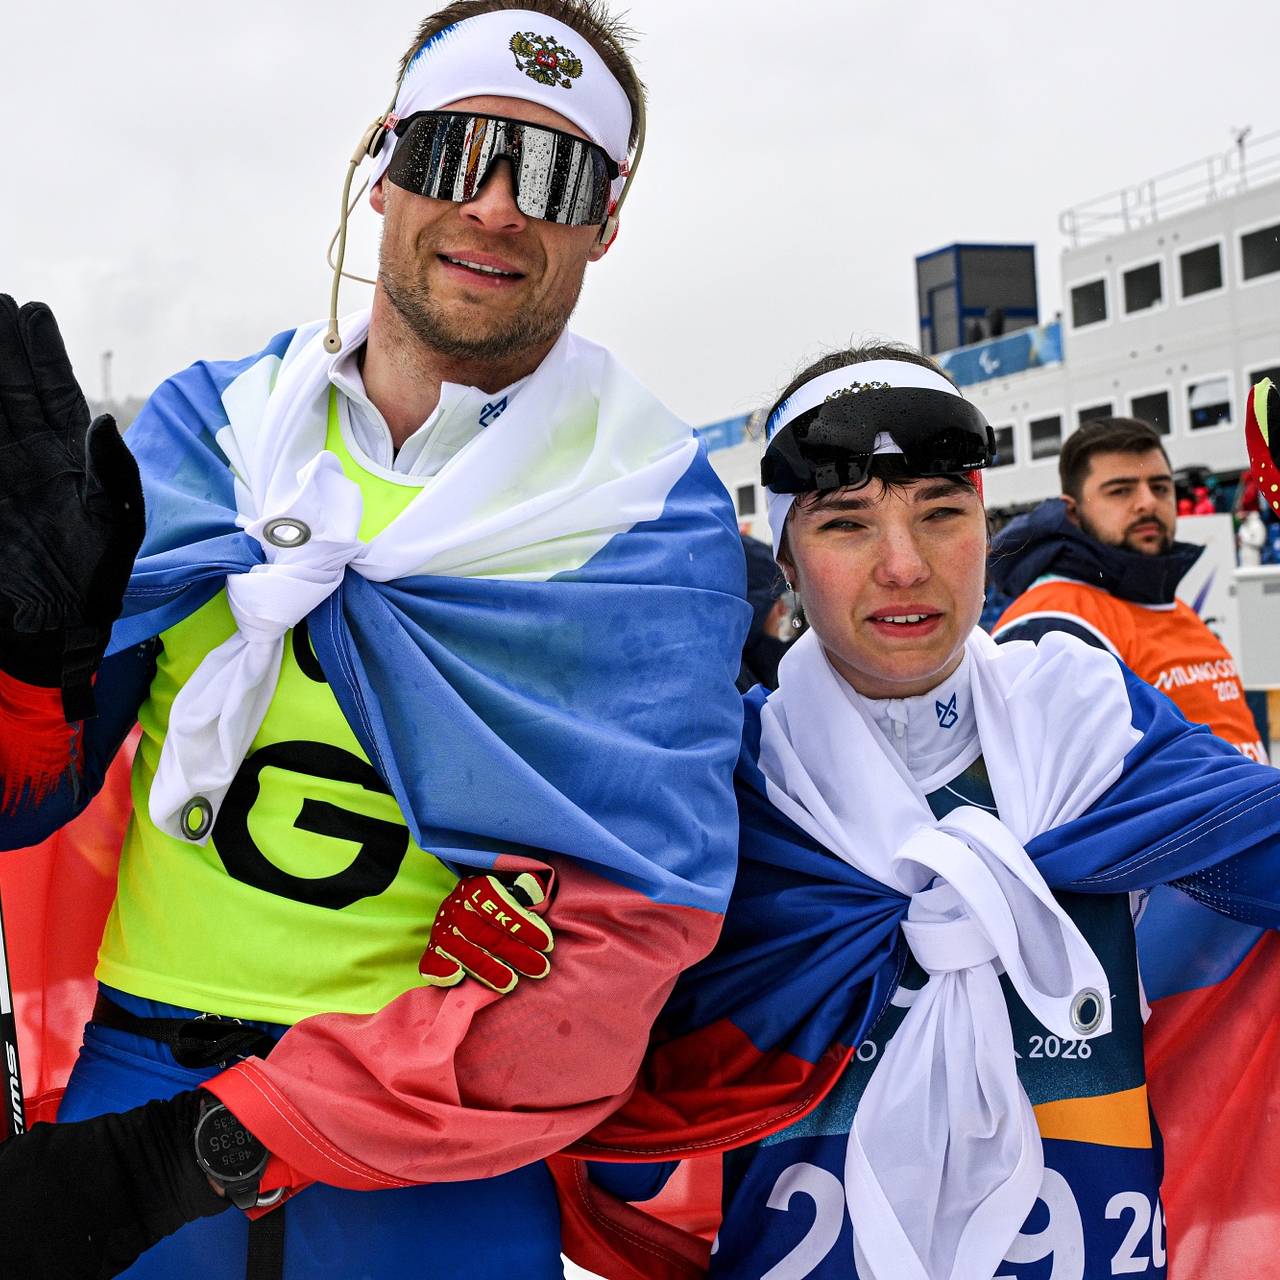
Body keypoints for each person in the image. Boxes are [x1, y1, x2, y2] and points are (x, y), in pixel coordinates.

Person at [0, 3, 749, 1276]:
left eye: (557, 171)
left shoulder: (641, 507)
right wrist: (25, 670)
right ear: (385, 164)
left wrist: (194, 1154)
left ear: (604, 223)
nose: (500, 205)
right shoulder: (212, 430)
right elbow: (30, 804)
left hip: (423, 1148)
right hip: (133, 1067)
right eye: (458, 150)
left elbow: (629, 928)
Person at [554, 348, 1280, 1280]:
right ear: (783, 556)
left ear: (988, 524)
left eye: (941, 514)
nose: (904, 567)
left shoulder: (1097, 730)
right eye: (847, 524)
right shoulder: (722, 794)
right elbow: (606, 1126)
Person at [988, 416, 1267, 762]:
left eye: (1161, 487)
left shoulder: (1168, 604)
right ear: (1072, 512)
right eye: (1121, 490)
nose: (1147, 503)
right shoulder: (1052, 622)